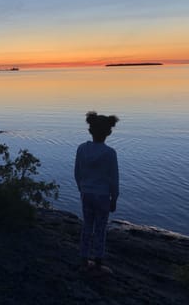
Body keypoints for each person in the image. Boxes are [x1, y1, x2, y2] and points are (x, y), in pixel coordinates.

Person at [75, 111, 119, 274]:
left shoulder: (82, 149)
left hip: (86, 194)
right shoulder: (109, 153)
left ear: (90, 130)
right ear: (109, 132)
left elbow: (77, 173)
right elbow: (113, 178)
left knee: (87, 226)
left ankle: (84, 260)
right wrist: (114, 198)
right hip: (102, 196)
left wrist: (82, 188)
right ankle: (98, 262)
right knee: (100, 228)